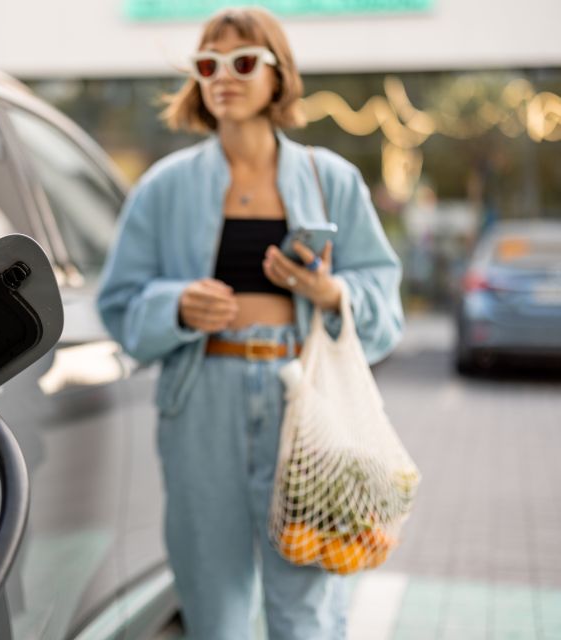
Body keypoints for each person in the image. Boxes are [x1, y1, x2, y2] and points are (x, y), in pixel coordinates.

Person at [96, 7, 403, 639]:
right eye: (208, 64)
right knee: (211, 603)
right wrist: (177, 306)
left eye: (243, 61)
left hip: (305, 402)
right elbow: (120, 303)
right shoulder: (163, 188)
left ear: (277, 74)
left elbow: (383, 298)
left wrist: (330, 290)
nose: (223, 76)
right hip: (201, 401)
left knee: (309, 608)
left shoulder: (332, 179)